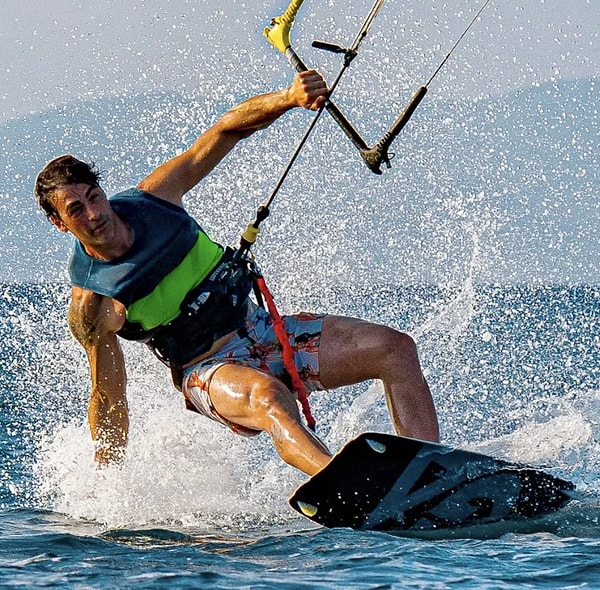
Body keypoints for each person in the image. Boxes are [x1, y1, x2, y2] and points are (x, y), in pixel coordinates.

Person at [34, 70, 439, 476]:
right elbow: (108, 397)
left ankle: (427, 477)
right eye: (75, 210)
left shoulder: (155, 200)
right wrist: (109, 484)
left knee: (395, 349)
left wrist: (288, 97)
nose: (94, 214)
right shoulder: (94, 299)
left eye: (94, 197)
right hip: (206, 371)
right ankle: (346, 487)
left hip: (261, 329)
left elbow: (225, 131)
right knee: (270, 398)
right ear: (59, 223)